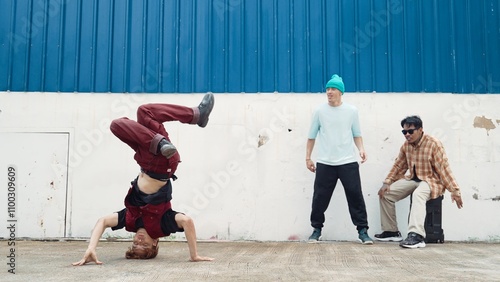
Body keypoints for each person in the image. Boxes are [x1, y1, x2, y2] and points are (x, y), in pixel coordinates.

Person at [72, 94, 215, 265]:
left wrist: (91, 247)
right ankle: (160, 143)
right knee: (133, 119)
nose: (139, 241)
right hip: (162, 164)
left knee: (133, 117)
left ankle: (197, 115)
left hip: (148, 157)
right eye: (144, 245)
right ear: (155, 242)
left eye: (135, 244)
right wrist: (194, 255)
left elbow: (102, 221)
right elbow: (187, 221)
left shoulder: (129, 220)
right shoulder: (162, 225)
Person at [375, 115, 463, 249]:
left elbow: (444, 169)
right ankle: (391, 231)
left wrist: (455, 190)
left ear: (420, 129)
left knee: (418, 194)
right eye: (404, 132)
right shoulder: (406, 146)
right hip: (413, 178)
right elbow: (399, 165)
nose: (407, 135)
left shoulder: (433, 144)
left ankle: (416, 236)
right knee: (386, 194)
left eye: (410, 131)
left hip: (432, 181)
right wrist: (387, 182)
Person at [305, 74, 373, 244]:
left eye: (333, 89)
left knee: (355, 196)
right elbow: (311, 136)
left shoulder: (351, 111)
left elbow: (356, 134)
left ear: (341, 92)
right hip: (325, 162)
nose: (329, 92)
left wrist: (361, 149)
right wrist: (308, 158)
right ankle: (316, 229)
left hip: (348, 162)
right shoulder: (320, 111)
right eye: (327, 89)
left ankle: (363, 231)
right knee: (320, 198)